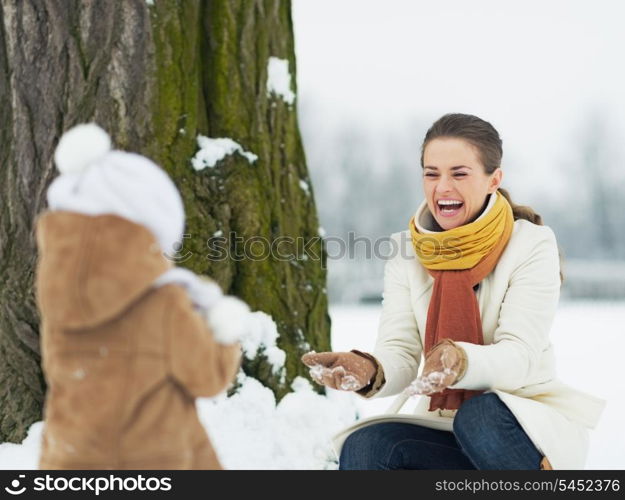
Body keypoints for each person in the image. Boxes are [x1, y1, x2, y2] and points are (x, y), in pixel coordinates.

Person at [302, 113, 607, 470]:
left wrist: (460, 360)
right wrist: (370, 369)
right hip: (444, 426)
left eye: (459, 174)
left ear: (494, 180)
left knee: (478, 416)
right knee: (369, 445)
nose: (442, 187)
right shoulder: (405, 251)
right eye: (432, 174)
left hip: (518, 429)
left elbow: (520, 356)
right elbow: (400, 351)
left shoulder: (531, 244)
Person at [35, 123, 249, 469]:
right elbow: (207, 377)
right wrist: (223, 332)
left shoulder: (56, 293)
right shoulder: (162, 302)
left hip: (69, 458)